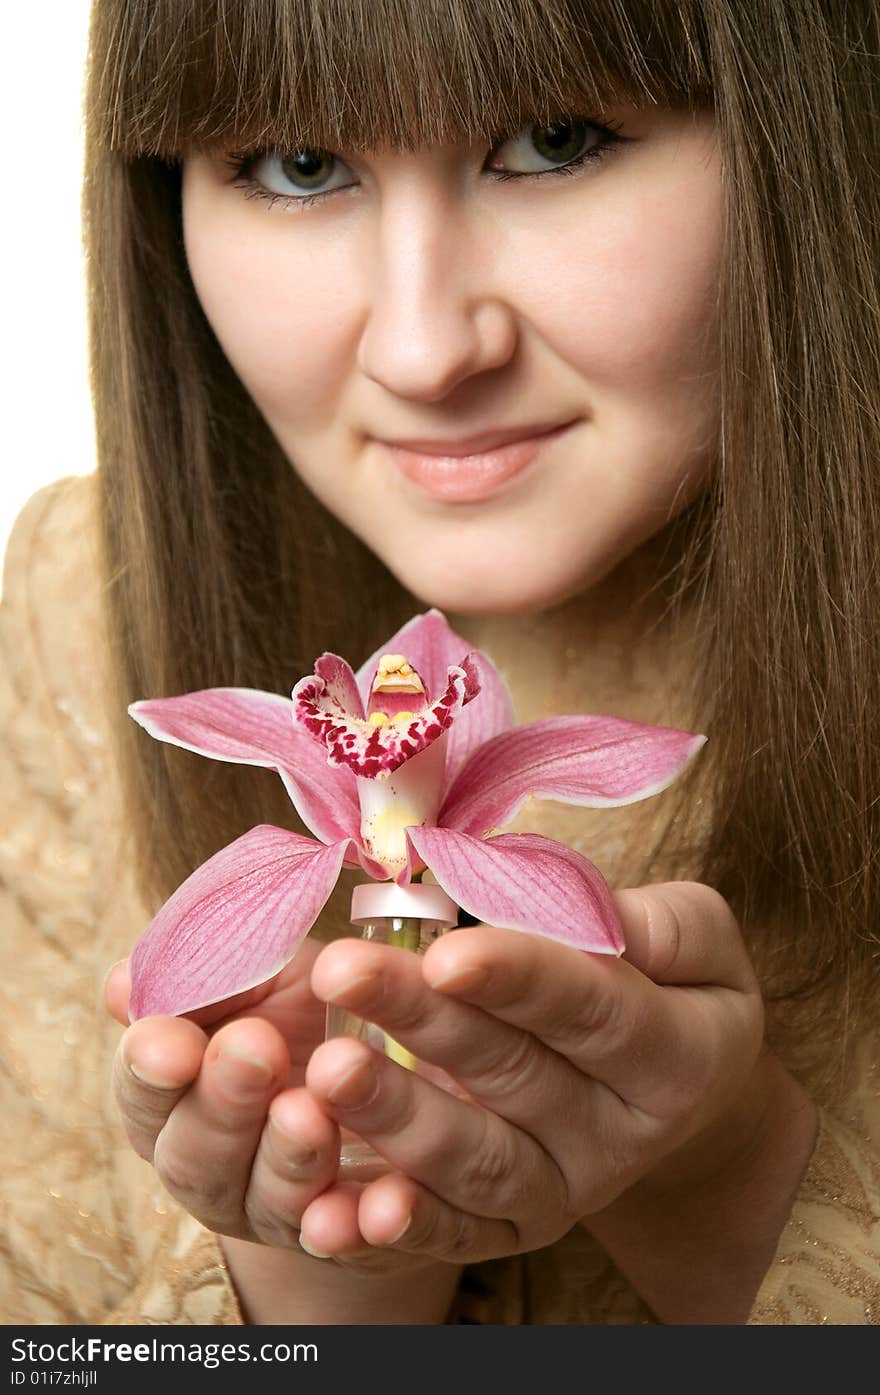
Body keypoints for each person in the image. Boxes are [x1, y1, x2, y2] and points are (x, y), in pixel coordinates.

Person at [2, 0, 878, 1326]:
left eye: (555, 138)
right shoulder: (75, 603)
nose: (424, 350)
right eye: (301, 164)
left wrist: (722, 1176)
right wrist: (319, 1285)